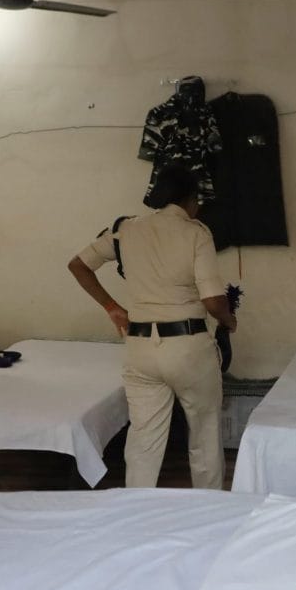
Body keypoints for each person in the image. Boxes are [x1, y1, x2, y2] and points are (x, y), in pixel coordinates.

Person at [68, 162, 235, 489]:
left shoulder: (125, 229)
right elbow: (214, 300)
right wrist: (229, 320)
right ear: (191, 199)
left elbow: (78, 265)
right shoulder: (196, 233)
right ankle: (208, 510)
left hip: (141, 349)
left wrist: (112, 308)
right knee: (204, 433)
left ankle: (136, 514)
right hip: (189, 349)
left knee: (144, 440)